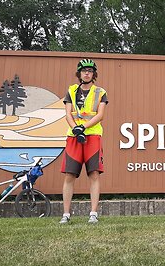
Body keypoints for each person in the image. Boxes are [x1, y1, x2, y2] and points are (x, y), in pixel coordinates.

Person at [59, 59, 108, 224]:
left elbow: (100, 115)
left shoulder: (100, 92)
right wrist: (75, 128)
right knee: (69, 175)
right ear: (79, 73)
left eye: (90, 70)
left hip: (93, 136)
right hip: (73, 136)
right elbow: (67, 114)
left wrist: (83, 127)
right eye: (84, 70)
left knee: (94, 174)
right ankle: (66, 214)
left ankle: (93, 213)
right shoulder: (71, 91)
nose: (87, 73)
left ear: (94, 74)